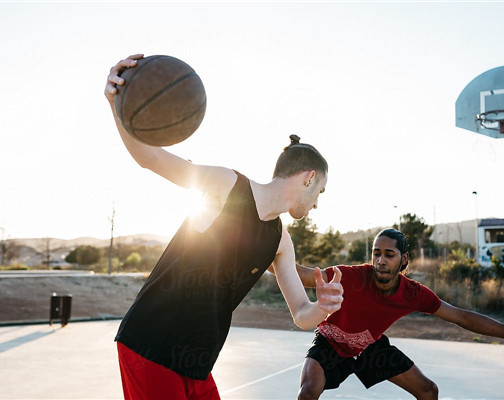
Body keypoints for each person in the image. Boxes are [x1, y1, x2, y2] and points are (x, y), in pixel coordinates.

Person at [104, 54, 344, 400]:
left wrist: (322, 307)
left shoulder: (280, 240)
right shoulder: (226, 186)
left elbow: (301, 314)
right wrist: (117, 102)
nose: (318, 203)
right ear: (309, 178)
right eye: (320, 191)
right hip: (151, 343)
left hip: (195, 360)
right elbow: (151, 158)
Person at [291, 228, 504, 400]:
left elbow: (461, 317)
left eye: (389, 254)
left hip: (368, 347)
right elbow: (303, 275)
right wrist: (265, 255)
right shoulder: (351, 276)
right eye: (376, 253)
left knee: (428, 391)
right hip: (331, 342)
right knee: (307, 394)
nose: (381, 260)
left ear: (404, 260)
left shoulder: (413, 293)